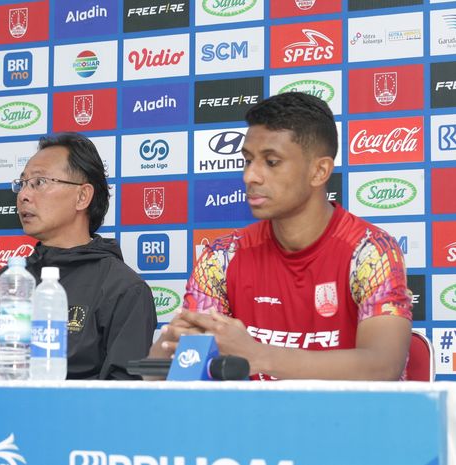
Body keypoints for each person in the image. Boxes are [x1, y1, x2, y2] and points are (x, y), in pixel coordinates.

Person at [149, 92, 413, 380]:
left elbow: (383, 366)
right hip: (250, 423)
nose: (250, 176)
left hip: (345, 422)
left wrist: (259, 355)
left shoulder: (371, 251)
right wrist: (170, 348)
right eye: (248, 160)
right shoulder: (222, 257)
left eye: (271, 162)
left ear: (319, 171)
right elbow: (173, 371)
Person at [0, 132, 157, 380]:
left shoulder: (124, 289)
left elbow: (122, 398)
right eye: (21, 184)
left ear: (82, 196)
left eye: (40, 182)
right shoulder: (4, 283)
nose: (23, 195)